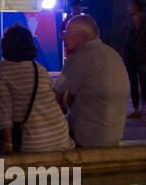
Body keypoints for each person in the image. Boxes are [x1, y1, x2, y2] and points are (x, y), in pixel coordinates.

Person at [0, 24, 73, 155]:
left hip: (32, 142)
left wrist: (8, 143)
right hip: (60, 137)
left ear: (5, 44)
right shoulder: (38, 67)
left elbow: (4, 109)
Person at [54, 15, 129, 147]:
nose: (63, 37)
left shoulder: (79, 57)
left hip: (88, 138)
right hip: (114, 135)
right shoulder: (112, 53)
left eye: (67, 33)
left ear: (82, 35)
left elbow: (55, 96)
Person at [122, 0, 146, 119]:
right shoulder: (128, 21)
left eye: (130, 6)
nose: (128, 8)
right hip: (131, 57)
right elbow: (125, 38)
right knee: (133, 83)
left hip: (143, 56)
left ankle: (143, 108)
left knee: (143, 82)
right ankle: (136, 109)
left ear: (137, 7)